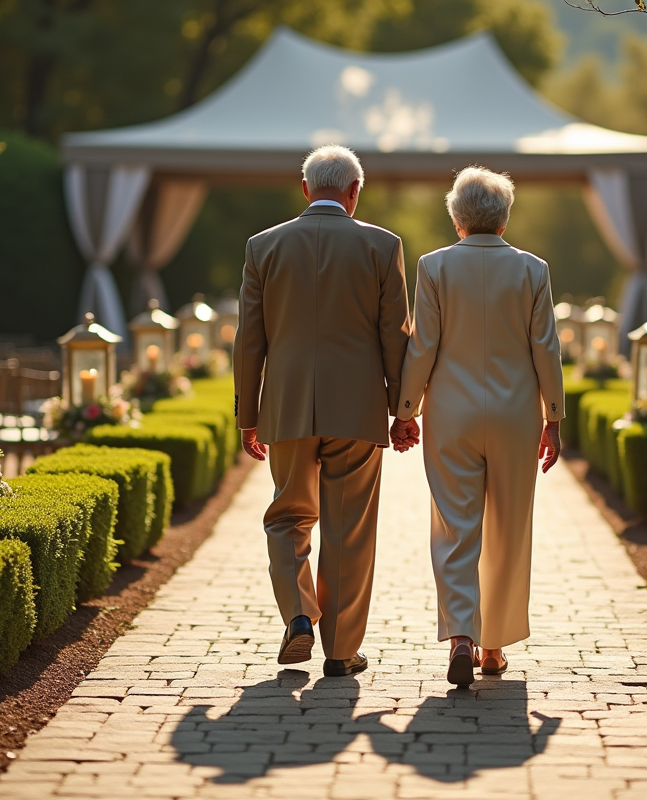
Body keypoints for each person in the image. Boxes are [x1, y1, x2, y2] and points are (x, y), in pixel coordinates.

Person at [234, 144, 411, 678]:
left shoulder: (263, 246)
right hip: (357, 409)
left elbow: (249, 340)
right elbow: (395, 337)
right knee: (348, 529)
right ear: (355, 192)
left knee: (287, 517)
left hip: (285, 407)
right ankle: (341, 650)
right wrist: (404, 410)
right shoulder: (383, 246)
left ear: (306, 189)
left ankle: (298, 617)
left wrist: (248, 416)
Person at [390, 166, 564, 688]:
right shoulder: (533, 270)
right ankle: (492, 649)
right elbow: (546, 350)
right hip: (515, 416)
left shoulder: (434, 266)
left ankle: (461, 635)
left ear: (456, 218)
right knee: (509, 529)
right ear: (505, 221)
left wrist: (405, 410)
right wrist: (553, 418)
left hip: (452, 413)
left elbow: (423, 345)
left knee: (455, 525)